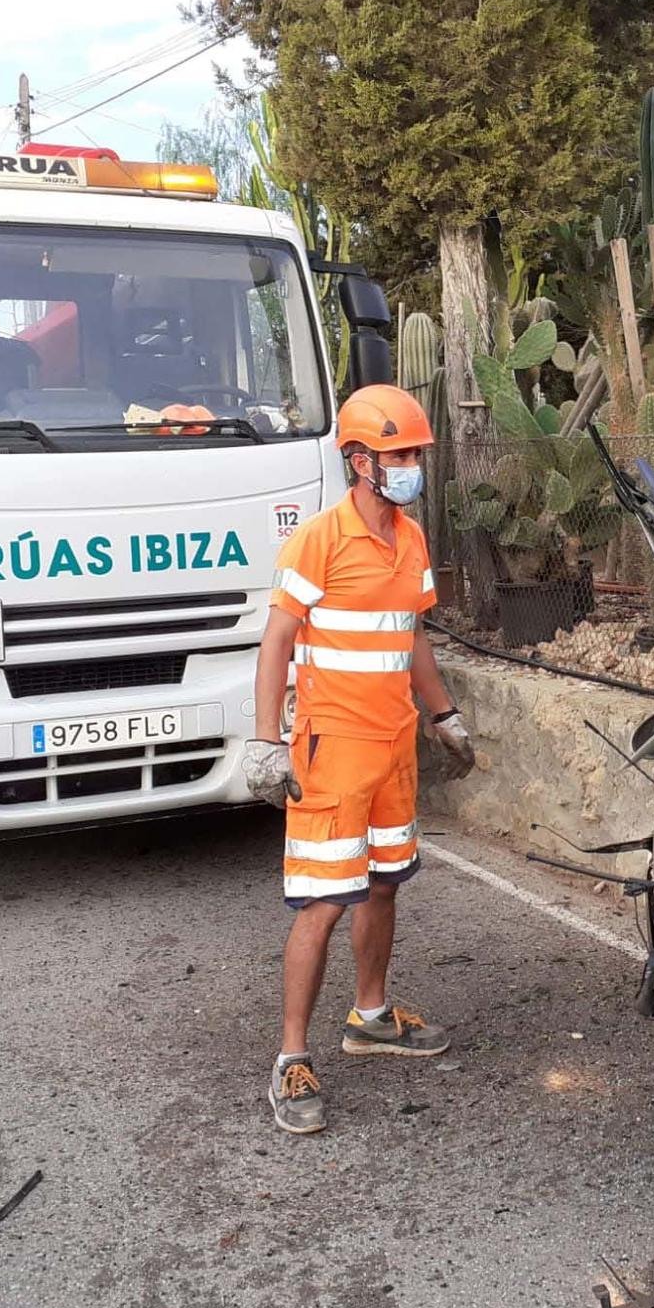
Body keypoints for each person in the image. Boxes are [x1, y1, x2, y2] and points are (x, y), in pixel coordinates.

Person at [242, 384, 476, 1135]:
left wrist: (445, 717)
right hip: (332, 752)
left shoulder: (410, 539)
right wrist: (267, 743)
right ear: (358, 459)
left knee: (382, 887)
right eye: (399, 454)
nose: (411, 466)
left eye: (415, 453)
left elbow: (411, 637)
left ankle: (370, 1016)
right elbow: (277, 640)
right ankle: (290, 1059)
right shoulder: (319, 539)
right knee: (323, 901)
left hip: (393, 750)